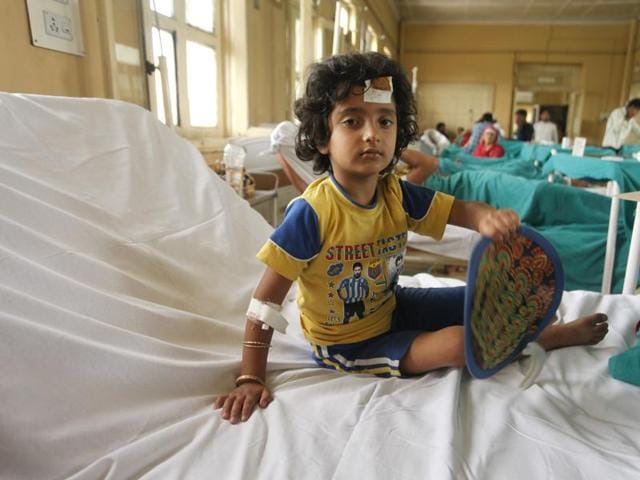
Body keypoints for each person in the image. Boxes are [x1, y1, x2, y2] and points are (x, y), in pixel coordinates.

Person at [215, 52, 609, 424]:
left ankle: (533, 328)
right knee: (458, 343)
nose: (372, 134)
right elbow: (265, 301)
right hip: (349, 345)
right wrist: (251, 376)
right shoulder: (313, 213)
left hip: (394, 305)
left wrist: (487, 218)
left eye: (385, 121)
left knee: (495, 301)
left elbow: (461, 210)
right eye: (353, 121)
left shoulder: (396, 193)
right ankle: (550, 338)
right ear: (322, 137)